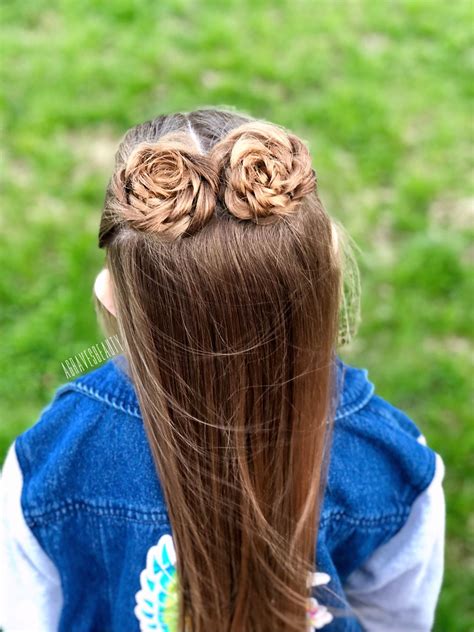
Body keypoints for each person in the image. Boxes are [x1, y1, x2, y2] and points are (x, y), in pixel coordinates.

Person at [0, 109, 445, 632]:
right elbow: (397, 621)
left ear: (112, 297)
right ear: (330, 266)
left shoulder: (52, 460)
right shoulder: (392, 462)